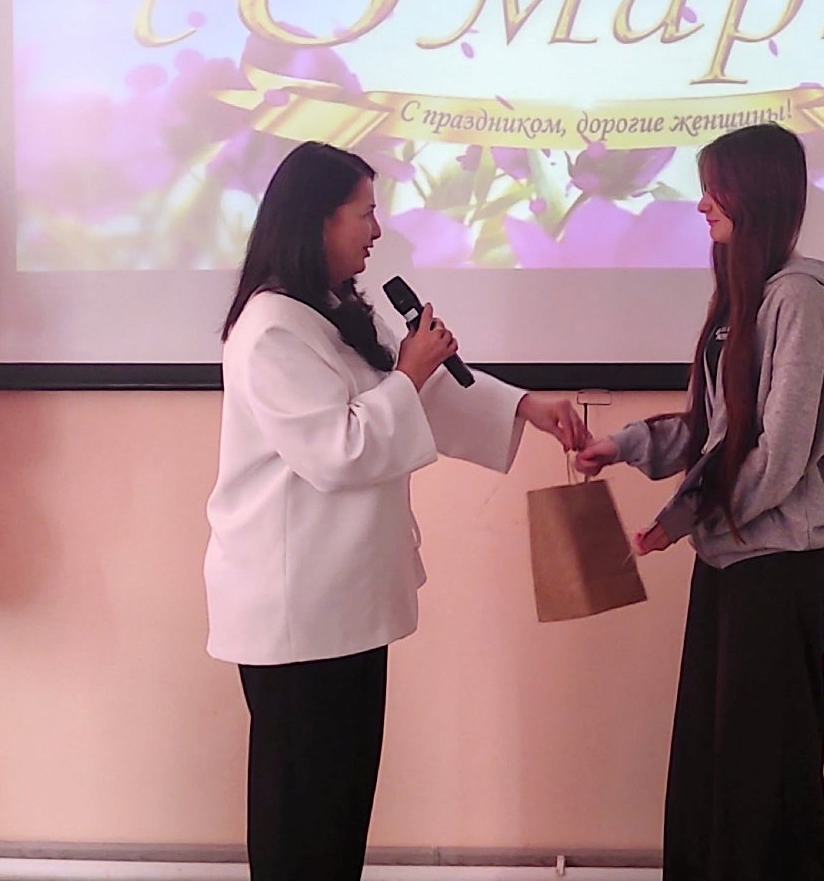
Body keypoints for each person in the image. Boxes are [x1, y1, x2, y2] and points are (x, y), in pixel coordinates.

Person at [204, 141, 586, 881]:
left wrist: (526, 407)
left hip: (344, 605)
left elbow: (415, 395)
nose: (377, 230)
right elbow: (339, 448)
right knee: (303, 821)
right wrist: (410, 371)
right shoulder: (272, 327)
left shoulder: (332, 310)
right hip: (297, 612)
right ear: (316, 220)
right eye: (364, 213)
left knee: (340, 810)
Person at [575, 122, 824, 881]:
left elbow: (777, 452)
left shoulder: (800, 299)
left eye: (716, 189)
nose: (701, 204)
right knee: (716, 761)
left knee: (764, 772)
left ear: (758, 196)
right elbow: (719, 431)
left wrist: (681, 518)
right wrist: (624, 445)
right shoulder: (748, 297)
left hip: (780, 564)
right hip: (733, 558)